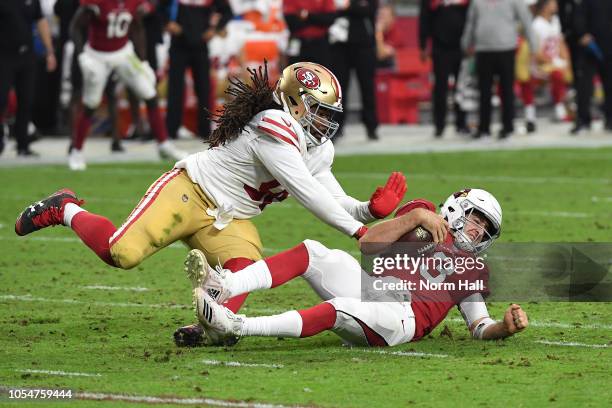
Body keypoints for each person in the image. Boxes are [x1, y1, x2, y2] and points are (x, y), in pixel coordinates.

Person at [14, 62, 407, 341]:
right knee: (122, 254)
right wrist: (358, 230)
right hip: (190, 193)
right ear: (295, 102)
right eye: (318, 112)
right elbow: (306, 192)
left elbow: (331, 195)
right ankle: (65, 208)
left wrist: (367, 210)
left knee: (243, 268)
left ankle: (210, 327)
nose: (324, 123)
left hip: (229, 218)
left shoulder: (317, 149)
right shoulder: (273, 125)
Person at [188, 188, 529, 347]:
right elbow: (368, 244)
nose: (477, 231)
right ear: (457, 208)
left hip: (401, 319)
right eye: (475, 220)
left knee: (341, 309)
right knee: (315, 252)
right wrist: (414, 217)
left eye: (485, 229)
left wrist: (504, 327)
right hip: (375, 288)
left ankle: (237, 326)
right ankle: (228, 285)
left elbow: (480, 325)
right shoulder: (422, 215)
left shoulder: (471, 268)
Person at [67, 0, 186, 171]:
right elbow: (75, 27)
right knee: (91, 104)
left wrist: (143, 61)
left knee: (149, 93)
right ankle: (76, 151)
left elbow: (137, 27)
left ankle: (163, 145)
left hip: (123, 52)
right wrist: (82, 56)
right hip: (96, 55)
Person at [462, 0, 536, 139]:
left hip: (506, 48)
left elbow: (525, 19)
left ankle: (507, 127)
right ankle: (484, 128)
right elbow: (471, 22)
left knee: (507, 90)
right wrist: (466, 43)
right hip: (483, 50)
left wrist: (533, 45)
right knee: (484, 91)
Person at [163, 0, 233, 141]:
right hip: (178, 44)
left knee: (203, 88)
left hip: (201, 45)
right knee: (175, 88)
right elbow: (159, 8)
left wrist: (214, 29)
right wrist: (167, 22)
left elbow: (227, 12)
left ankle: (204, 130)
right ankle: (171, 130)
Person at [0, 0, 57, 157]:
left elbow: (40, 20)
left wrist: (49, 50)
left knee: (26, 100)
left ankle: (23, 145)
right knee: (2, 99)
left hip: (27, 55)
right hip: (4, 55)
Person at [419, 0, 470, 138]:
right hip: (440, 46)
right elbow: (424, 16)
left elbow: (471, 15)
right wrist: (423, 44)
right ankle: (439, 125)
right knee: (440, 88)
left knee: (461, 88)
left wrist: (471, 41)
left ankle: (461, 123)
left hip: (461, 46)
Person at [330, 0, 379, 141]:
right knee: (339, 88)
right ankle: (337, 126)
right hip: (339, 45)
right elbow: (330, 11)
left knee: (367, 86)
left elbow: (368, 9)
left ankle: (371, 126)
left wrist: (347, 7)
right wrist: (351, 8)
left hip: (363, 45)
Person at [521, 0, 572, 129]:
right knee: (528, 78)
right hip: (539, 65)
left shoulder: (555, 20)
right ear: (544, 6)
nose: (555, 5)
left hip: (553, 62)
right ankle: (533, 114)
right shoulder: (536, 24)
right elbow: (534, 51)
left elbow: (560, 43)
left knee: (565, 73)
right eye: (552, 3)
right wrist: (552, 63)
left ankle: (565, 107)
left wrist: (566, 61)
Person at [571, 0, 612, 134]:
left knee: (610, 85)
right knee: (584, 87)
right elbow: (578, 15)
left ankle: (610, 120)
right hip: (589, 48)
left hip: (608, 46)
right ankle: (583, 120)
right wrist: (582, 33)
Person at [282, 0, 336, 67]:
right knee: (294, 72)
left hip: (320, 42)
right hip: (297, 40)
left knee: (321, 73)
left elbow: (330, 18)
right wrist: (317, 19)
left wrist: (307, 15)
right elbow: (292, 22)